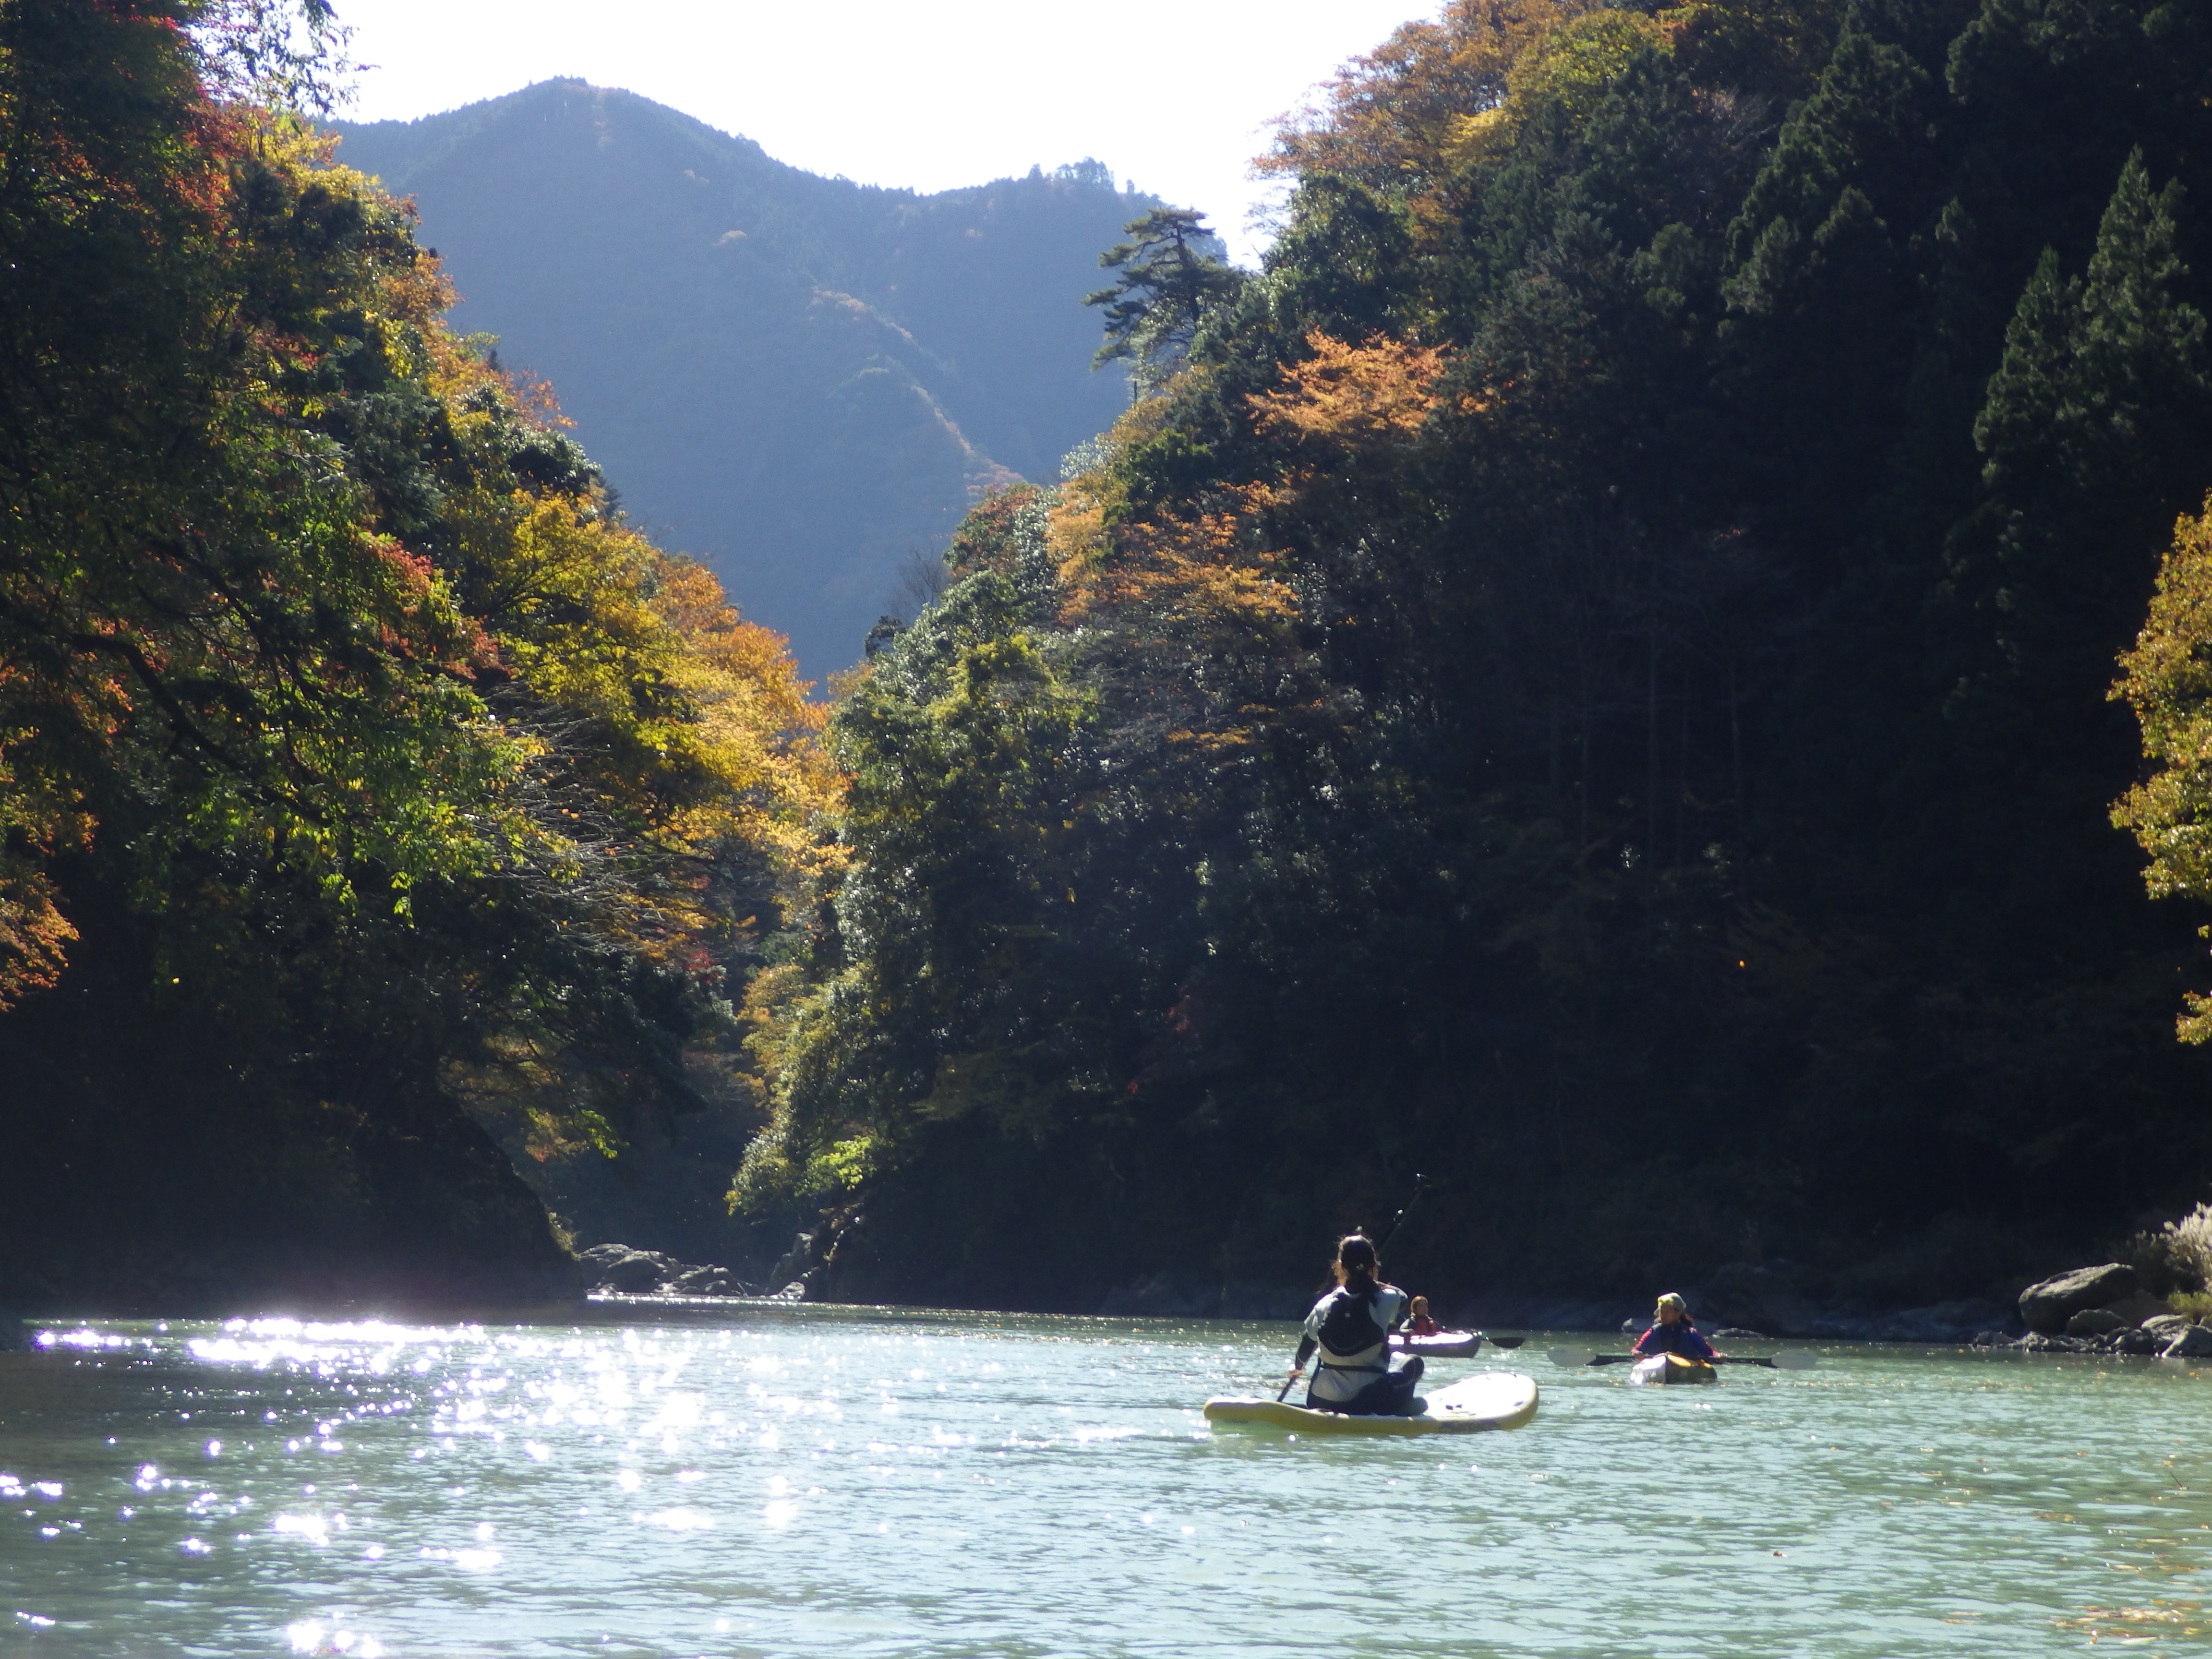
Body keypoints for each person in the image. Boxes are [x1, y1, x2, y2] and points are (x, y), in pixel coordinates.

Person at [1286, 1235, 1425, 1414]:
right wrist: (1374, 1280)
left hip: (1318, 1400)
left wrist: (1298, 1368)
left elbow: (1307, 1343)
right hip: (1366, 1402)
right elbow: (1403, 1297)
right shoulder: (1386, 1300)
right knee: (1414, 1363)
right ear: (1373, 1268)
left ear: (1341, 1267)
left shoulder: (1325, 1303)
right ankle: (1402, 1408)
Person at [1632, 1292, 1719, 1360]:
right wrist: (1636, 1353)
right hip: (1658, 1365)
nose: (1663, 1315)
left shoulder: (1690, 1333)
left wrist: (1718, 1356)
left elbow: (1710, 1353)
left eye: (1667, 1312)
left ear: (1678, 1314)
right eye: (1661, 1311)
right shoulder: (1653, 1332)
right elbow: (1636, 1349)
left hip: (1685, 1365)